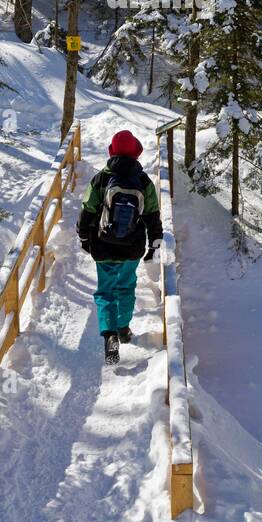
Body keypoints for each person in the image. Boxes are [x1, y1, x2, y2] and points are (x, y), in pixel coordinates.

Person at [77, 129, 162, 364]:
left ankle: (109, 335)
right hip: (132, 248)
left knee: (105, 291)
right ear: (135, 152)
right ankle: (123, 329)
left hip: (103, 246)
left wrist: (85, 239)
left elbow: (87, 211)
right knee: (126, 287)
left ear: (112, 152)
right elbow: (152, 215)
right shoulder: (143, 181)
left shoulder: (101, 179)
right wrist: (155, 244)